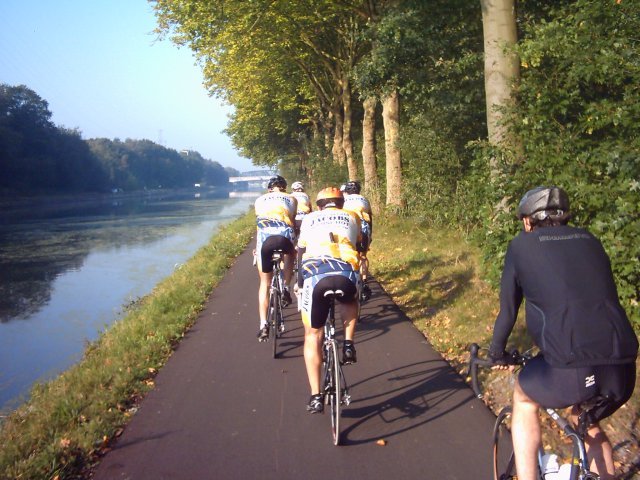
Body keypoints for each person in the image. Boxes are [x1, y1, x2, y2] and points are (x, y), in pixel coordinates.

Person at [488, 186, 638, 480]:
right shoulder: (590, 240)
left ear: (528, 221)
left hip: (571, 366)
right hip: (622, 365)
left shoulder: (521, 246)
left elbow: (508, 312)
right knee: (585, 419)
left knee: (523, 398)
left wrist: (497, 353)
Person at [296, 186, 362, 413]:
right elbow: (362, 245)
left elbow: (301, 251)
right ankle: (349, 344)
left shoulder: (309, 218)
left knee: (312, 335)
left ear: (319, 205)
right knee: (350, 299)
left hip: (315, 277)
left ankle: (316, 396)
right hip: (344, 274)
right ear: (341, 203)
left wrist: (299, 281)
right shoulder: (351, 215)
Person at [254, 175, 297, 341]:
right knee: (291, 254)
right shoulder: (291, 198)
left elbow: (259, 224)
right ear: (284, 188)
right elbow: (292, 222)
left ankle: (263, 324)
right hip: (283, 237)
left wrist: (256, 251)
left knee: (264, 283)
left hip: (264, 241)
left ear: (269, 189)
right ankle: (286, 287)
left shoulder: (259, 200)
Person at [342, 180, 373, 300]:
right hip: (364, 228)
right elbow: (370, 219)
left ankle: (346, 278)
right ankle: (365, 282)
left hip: (349, 228)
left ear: (346, 191)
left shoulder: (343, 200)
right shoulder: (364, 199)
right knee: (363, 256)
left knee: (345, 254)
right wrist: (370, 237)